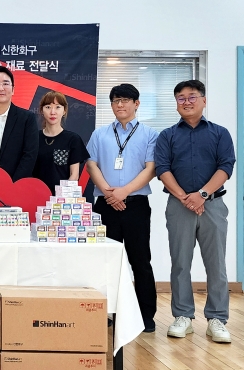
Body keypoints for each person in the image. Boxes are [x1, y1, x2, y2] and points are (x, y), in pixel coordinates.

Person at [154, 80, 236, 343]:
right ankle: (183, 316)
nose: (186, 102)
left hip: (212, 205)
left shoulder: (220, 133)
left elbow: (226, 166)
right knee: (180, 263)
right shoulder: (167, 135)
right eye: (181, 98)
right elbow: (162, 169)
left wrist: (201, 195)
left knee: (216, 264)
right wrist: (185, 198)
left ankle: (217, 319)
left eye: (192, 97)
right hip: (179, 206)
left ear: (204, 100)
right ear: (176, 103)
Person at [86, 83, 158, 333]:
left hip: (136, 205)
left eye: (125, 100)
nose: (120, 105)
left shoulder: (150, 134)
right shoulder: (100, 134)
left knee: (141, 261)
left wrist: (123, 192)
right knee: (104, 261)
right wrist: (109, 192)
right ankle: (104, 313)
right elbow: (91, 165)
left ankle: (145, 316)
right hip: (105, 205)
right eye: (116, 100)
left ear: (136, 104)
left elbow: (151, 168)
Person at [0, 65, 39, 181]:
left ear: (13, 89)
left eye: (5, 83)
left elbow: (30, 155)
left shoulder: (27, 118)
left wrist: (12, 185)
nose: (1, 88)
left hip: (16, 184)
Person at [32, 91, 89, 194]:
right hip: (35, 195)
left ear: (64, 111)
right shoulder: (33, 138)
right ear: (41, 110)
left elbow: (74, 175)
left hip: (61, 198)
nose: (52, 112)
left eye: (58, 107)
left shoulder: (73, 139)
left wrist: (61, 196)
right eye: (48, 107)